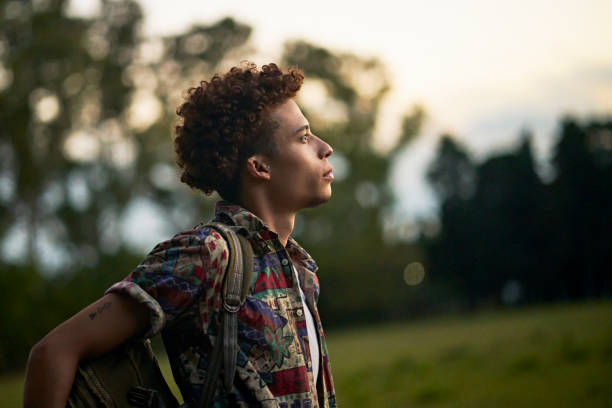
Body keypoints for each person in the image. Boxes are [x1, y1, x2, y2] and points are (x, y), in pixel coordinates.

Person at [23, 62, 337, 408]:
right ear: (259, 166)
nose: (325, 148)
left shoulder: (297, 267)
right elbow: (53, 352)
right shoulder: (206, 254)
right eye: (303, 137)